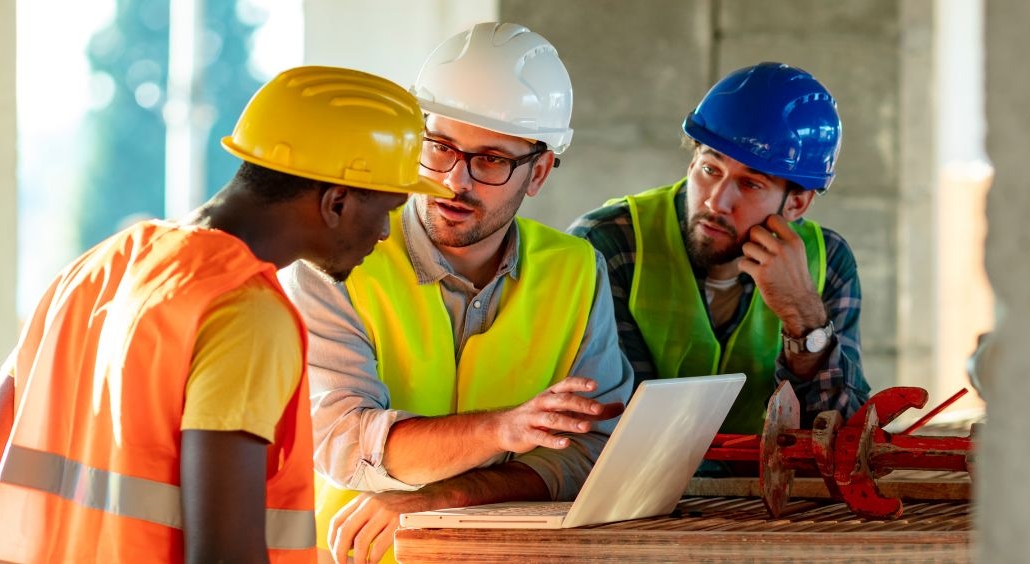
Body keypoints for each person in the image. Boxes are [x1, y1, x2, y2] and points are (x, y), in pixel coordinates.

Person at [0, 66, 448, 563]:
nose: (385, 232)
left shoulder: (92, 271)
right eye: (387, 207)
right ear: (336, 202)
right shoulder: (244, 311)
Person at [280, 23, 632, 563]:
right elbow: (342, 443)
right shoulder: (336, 260)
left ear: (537, 172)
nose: (454, 180)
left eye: (490, 159)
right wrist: (502, 430)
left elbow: (593, 451)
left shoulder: (576, 270)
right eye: (440, 147)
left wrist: (448, 497)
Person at [569, 62, 871, 440]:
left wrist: (804, 318)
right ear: (692, 159)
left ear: (796, 205)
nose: (716, 202)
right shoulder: (608, 244)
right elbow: (613, 423)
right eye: (710, 170)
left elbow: (845, 439)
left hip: (770, 497)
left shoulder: (828, 262)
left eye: (750, 184)